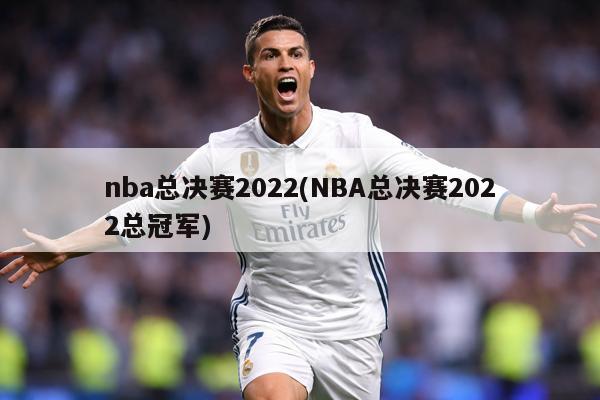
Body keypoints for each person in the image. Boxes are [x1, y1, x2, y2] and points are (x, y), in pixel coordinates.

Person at [1, 15, 599, 400]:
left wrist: (534, 215)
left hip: (353, 330)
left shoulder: (356, 138)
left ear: (310, 69)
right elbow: (147, 211)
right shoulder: (224, 154)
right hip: (273, 319)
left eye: (295, 53)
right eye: (270, 55)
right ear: (250, 72)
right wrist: (66, 246)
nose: (284, 63)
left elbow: (448, 184)